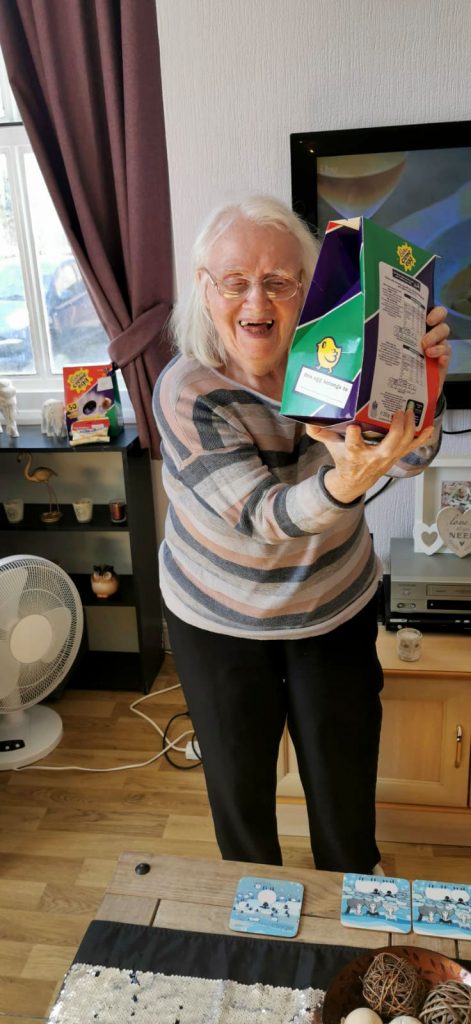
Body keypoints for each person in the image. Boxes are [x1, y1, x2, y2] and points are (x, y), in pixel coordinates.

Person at [153, 194, 451, 873]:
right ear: (205, 289)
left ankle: (353, 896)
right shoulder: (186, 390)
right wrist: (346, 482)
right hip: (219, 619)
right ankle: (257, 904)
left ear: (309, 288)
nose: (256, 301)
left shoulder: (345, 354)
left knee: (344, 786)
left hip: (332, 606)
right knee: (240, 790)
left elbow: (410, 458)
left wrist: (420, 381)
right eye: (234, 281)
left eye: (279, 281)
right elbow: (264, 519)